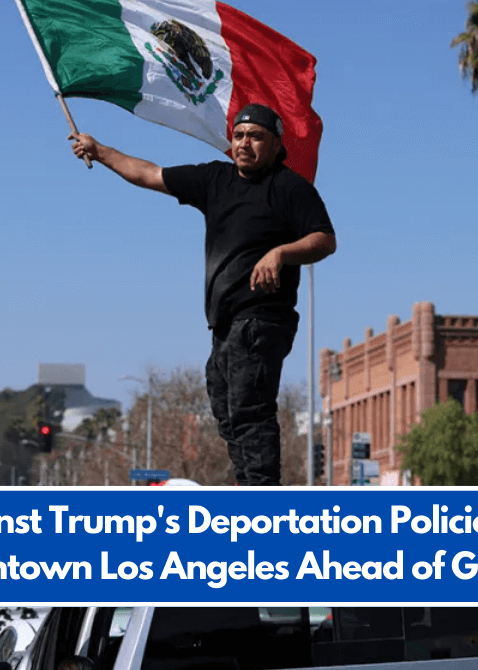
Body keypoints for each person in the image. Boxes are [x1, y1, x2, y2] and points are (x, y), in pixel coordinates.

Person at [71, 104, 335, 485]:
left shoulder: (290, 188)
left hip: (262, 319)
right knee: (227, 411)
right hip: (224, 325)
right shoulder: (216, 180)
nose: (245, 142)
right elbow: (149, 174)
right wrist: (100, 151)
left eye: (256, 136)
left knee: (250, 411)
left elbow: (325, 239)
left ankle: (262, 501)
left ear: (277, 145)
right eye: (239, 134)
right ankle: (248, 486)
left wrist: (281, 253)